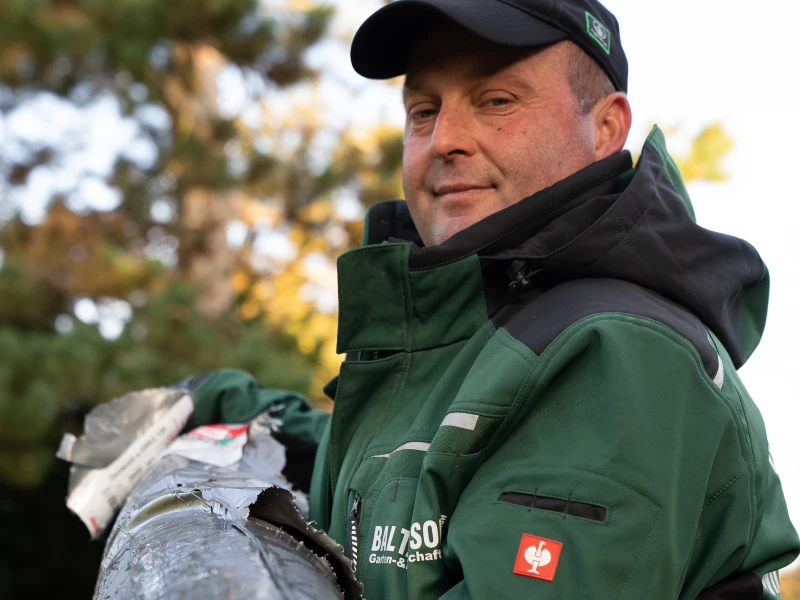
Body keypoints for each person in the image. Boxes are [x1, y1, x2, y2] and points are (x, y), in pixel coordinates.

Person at [187, 0, 800, 597]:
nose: (445, 139)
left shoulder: (614, 351)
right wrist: (219, 408)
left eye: (496, 101)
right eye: (423, 111)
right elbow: (386, 480)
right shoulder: (472, 339)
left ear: (606, 127)